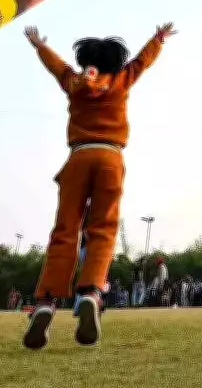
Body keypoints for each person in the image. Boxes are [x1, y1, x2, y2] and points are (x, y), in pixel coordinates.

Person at [22, 23, 176, 350]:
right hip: (110, 157)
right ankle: (91, 291)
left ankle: (47, 301)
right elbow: (141, 63)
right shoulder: (121, 80)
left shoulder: (76, 82)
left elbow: (58, 68)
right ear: (114, 62)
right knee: (103, 228)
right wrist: (158, 39)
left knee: (65, 229)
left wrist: (39, 46)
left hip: (78, 156)